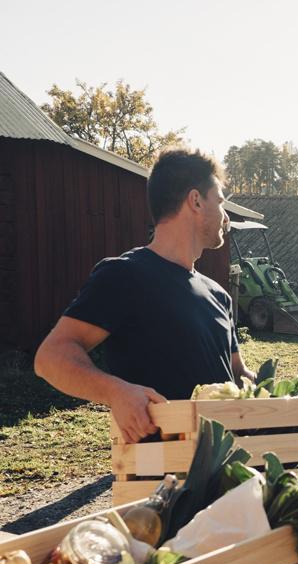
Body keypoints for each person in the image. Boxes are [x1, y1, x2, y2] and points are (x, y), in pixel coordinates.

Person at [34, 149, 255, 443]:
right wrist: (116, 392)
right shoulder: (124, 276)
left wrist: (290, 397)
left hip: (230, 473)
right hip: (163, 481)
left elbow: (237, 373)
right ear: (196, 201)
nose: (226, 218)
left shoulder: (218, 295)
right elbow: (50, 357)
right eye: (221, 202)